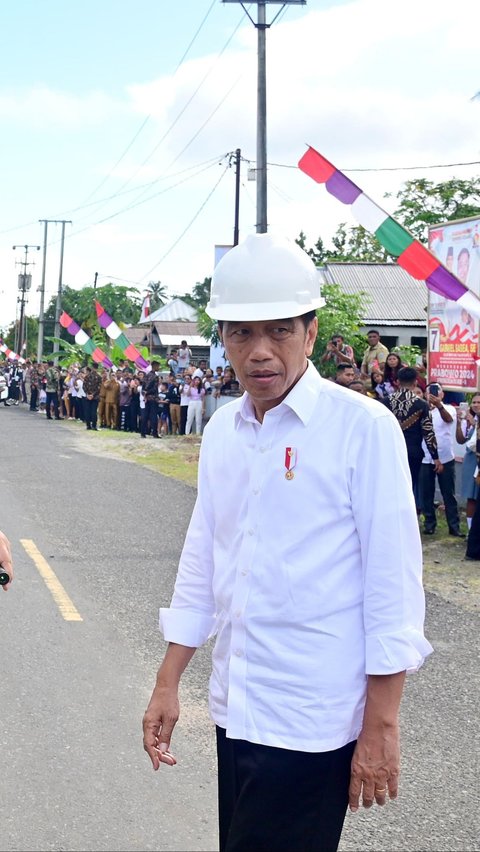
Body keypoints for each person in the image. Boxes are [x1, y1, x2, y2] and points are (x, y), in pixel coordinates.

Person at [142, 233, 432, 852]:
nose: (260, 352)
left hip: (312, 720)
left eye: (279, 330)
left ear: (311, 330)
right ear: (223, 337)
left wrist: (381, 725)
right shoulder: (225, 429)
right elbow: (203, 560)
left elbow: (393, 587)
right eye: (242, 333)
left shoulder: (362, 429)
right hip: (237, 708)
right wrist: (169, 681)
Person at [386, 367, 441, 500]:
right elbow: (428, 432)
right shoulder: (421, 404)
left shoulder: (385, 402)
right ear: (415, 383)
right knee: (408, 489)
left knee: (388, 489)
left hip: (389, 452)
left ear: (397, 382)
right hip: (412, 453)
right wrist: (435, 457)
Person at [419, 383, 464, 537]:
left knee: (448, 493)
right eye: (429, 392)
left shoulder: (448, 408)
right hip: (425, 457)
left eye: (435, 391)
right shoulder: (421, 409)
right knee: (426, 493)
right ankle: (429, 524)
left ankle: (454, 526)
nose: (431, 394)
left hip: (445, 457)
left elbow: (449, 420)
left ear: (442, 394)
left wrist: (438, 405)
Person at [455, 395, 480, 530]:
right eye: (474, 402)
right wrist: (459, 423)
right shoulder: (470, 419)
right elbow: (460, 440)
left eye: (479, 402)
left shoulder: (475, 421)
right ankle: (471, 530)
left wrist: (475, 424)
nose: (476, 405)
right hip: (471, 460)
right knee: (471, 496)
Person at [83, 363, 103, 430]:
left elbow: (84, 386)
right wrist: (92, 395)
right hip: (95, 397)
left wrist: (88, 394)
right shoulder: (99, 377)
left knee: (88, 411)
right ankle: (93, 426)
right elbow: (99, 388)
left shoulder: (87, 376)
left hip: (89, 396)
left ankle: (88, 425)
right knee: (93, 411)